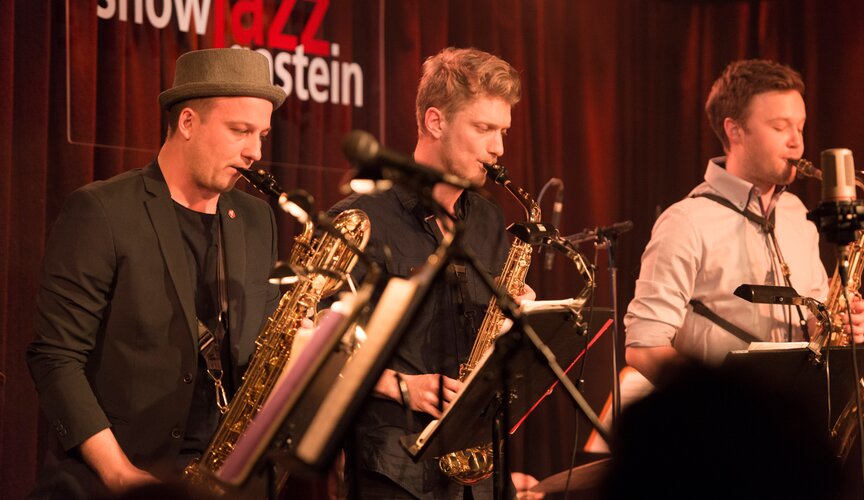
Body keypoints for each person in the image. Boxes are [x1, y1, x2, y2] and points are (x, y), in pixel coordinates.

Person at [26, 48, 286, 498]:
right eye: (239, 130)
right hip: (122, 475)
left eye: (261, 133)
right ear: (187, 123)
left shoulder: (257, 218)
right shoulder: (102, 210)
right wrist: (120, 475)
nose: (255, 151)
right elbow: (56, 359)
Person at [330, 47, 535, 499]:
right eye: (483, 129)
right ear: (435, 121)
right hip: (393, 472)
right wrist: (402, 386)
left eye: (502, 131)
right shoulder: (361, 217)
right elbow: (315, 346)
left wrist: (511, 317)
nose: (498, 148)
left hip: (477, 475)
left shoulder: (485, 219)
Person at [624, 59, 864, 384]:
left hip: (790, 411)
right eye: (780, 127)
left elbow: (812, 321)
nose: (797, 141)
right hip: (719, 423)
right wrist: (716, 405)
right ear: (735, 130)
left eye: (800, 126)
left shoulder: (797, 213)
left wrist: (832, 322)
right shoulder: (685, 222)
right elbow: (644, 346)